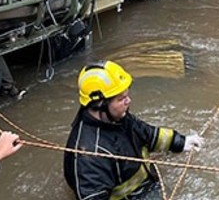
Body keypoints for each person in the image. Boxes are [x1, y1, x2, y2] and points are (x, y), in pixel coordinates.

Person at [63, 60, 204, 200]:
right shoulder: (88, 156)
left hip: (148, 186)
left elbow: (147, 134)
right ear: (101, 104)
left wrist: (181, 142)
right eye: (121, 99)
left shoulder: (117, 118)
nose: (128, 101)